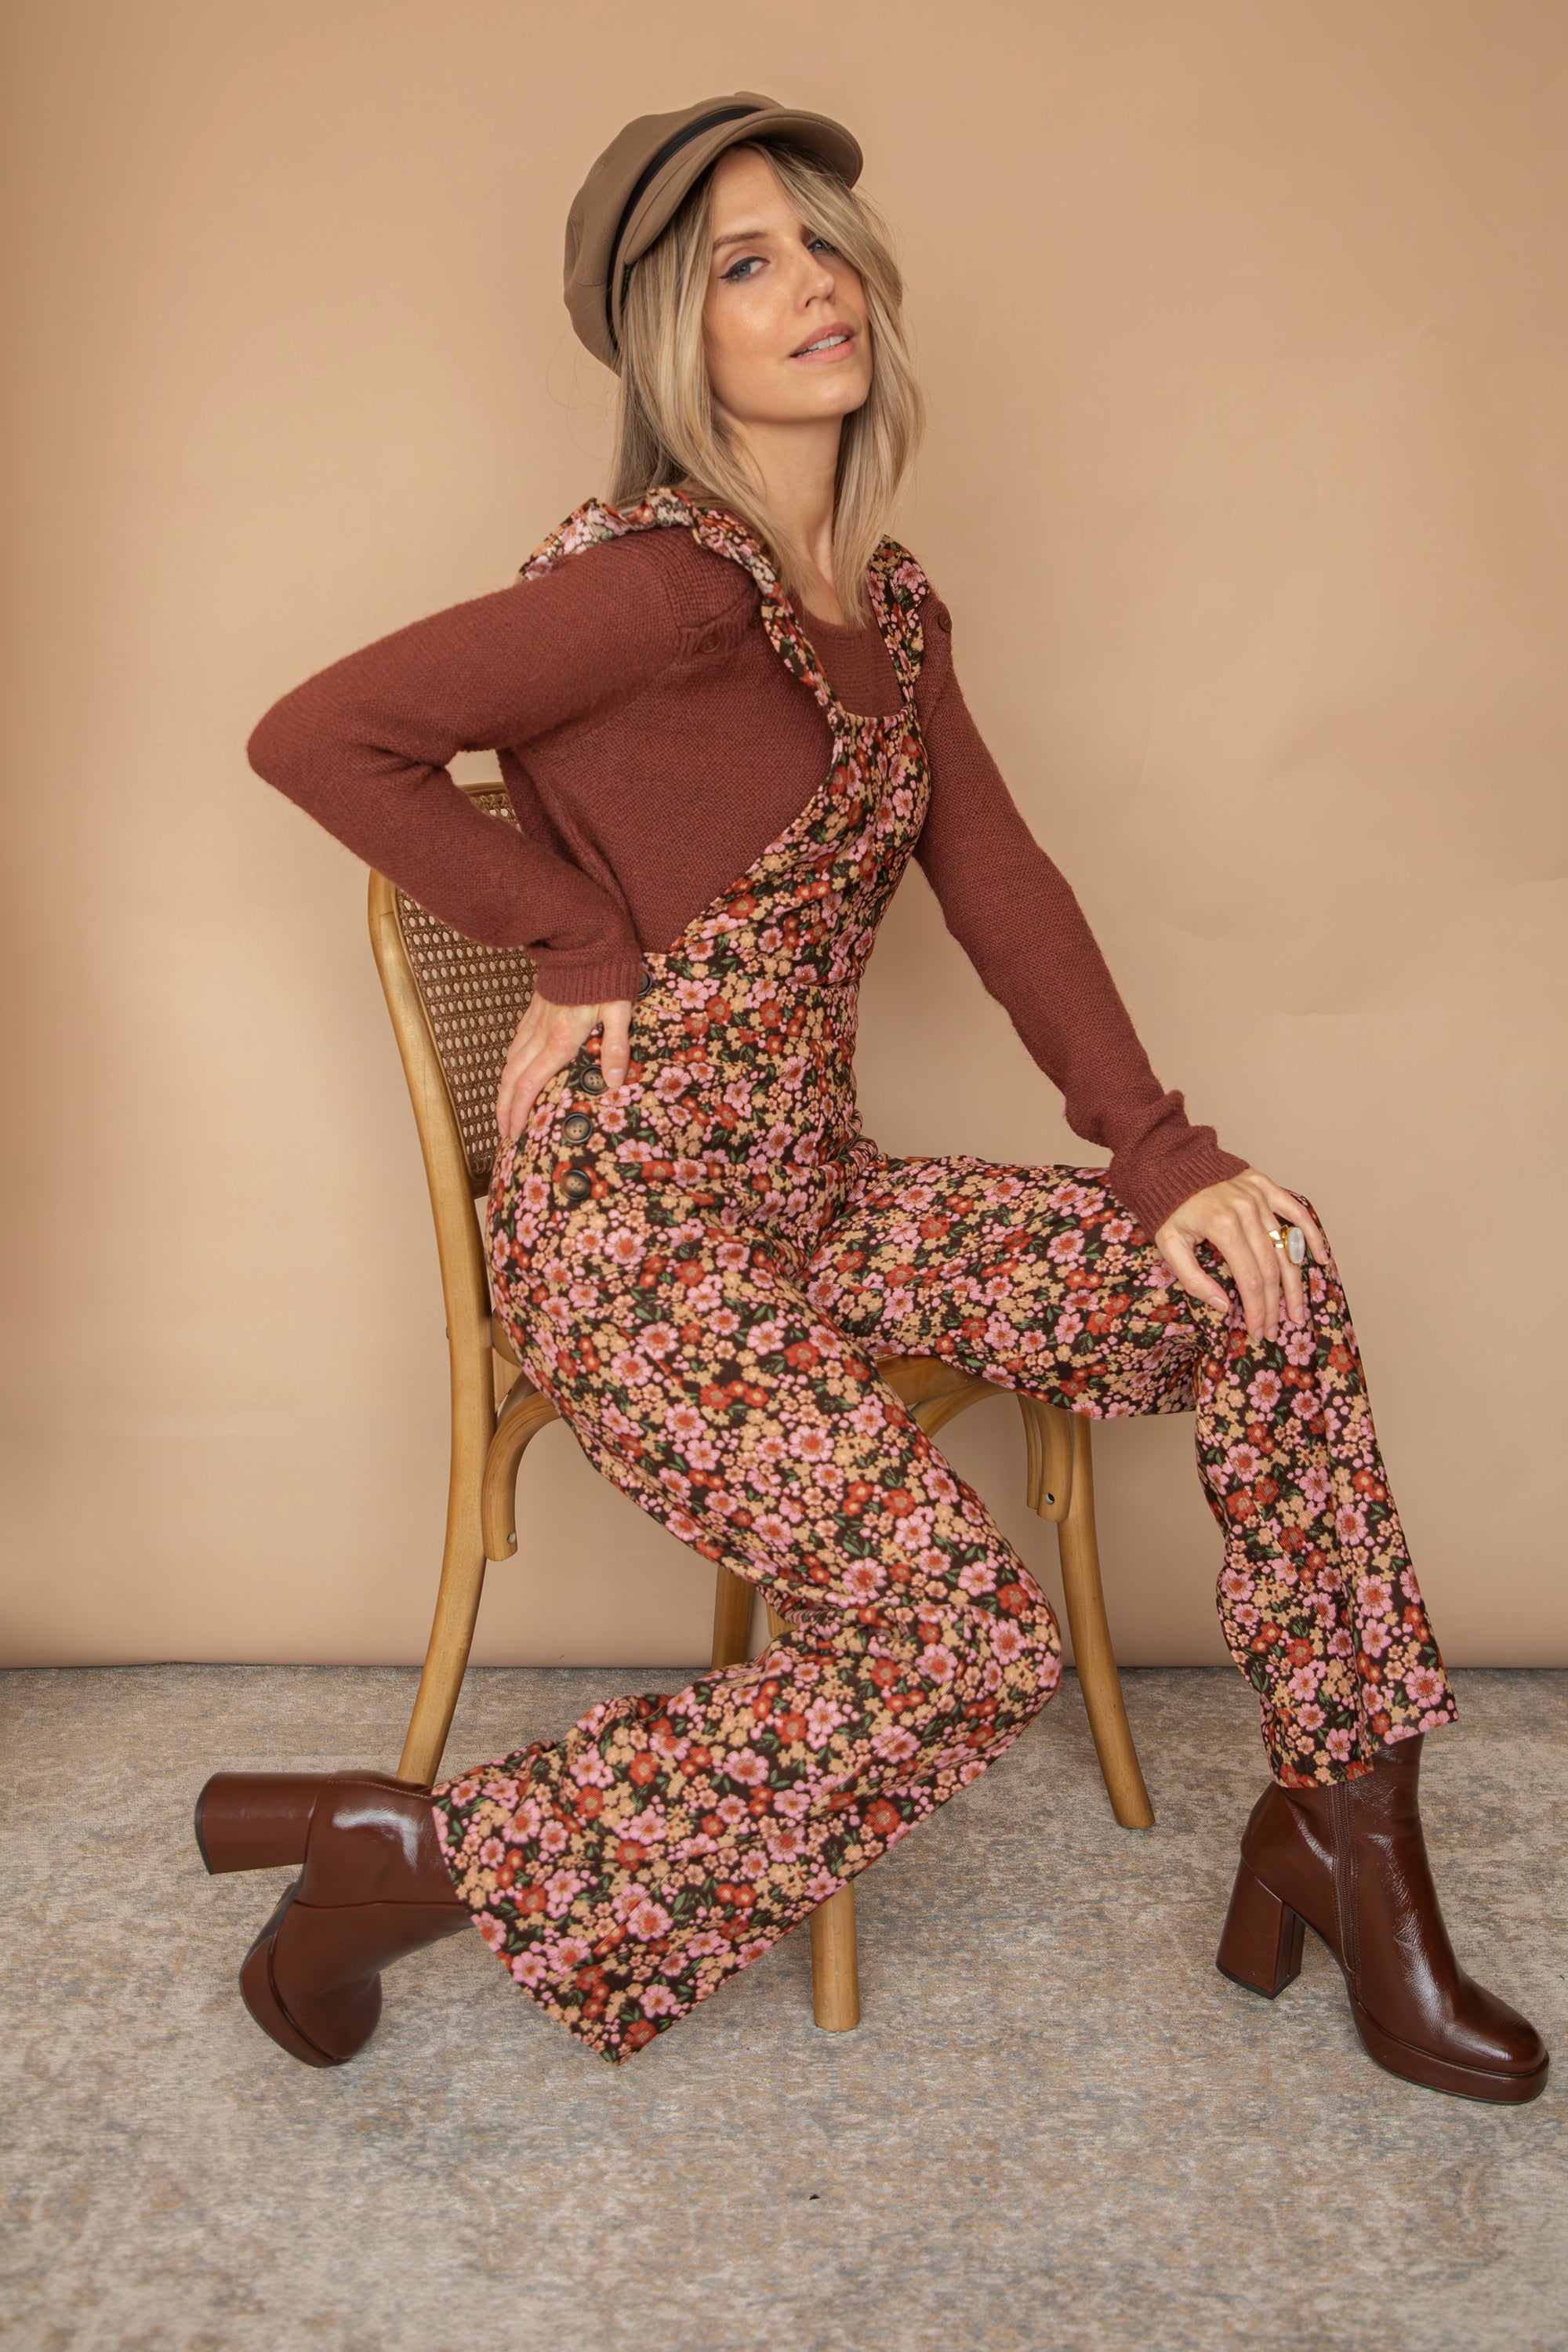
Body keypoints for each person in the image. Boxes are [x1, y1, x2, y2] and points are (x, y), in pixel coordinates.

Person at [198, 94, 1545, 2100]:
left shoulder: (889, 615)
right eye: (742, 266)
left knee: (1266, 1275)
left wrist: (1164, 1157)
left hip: (813, 1206)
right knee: (958, 1646)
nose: (808, 284)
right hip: (637, 1245)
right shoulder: (657, 587)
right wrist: (573, 932)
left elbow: (1000, 883)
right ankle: (412, 1865)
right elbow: (319, 735)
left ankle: (1347, 1852)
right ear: (672, 340)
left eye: (817, 242)